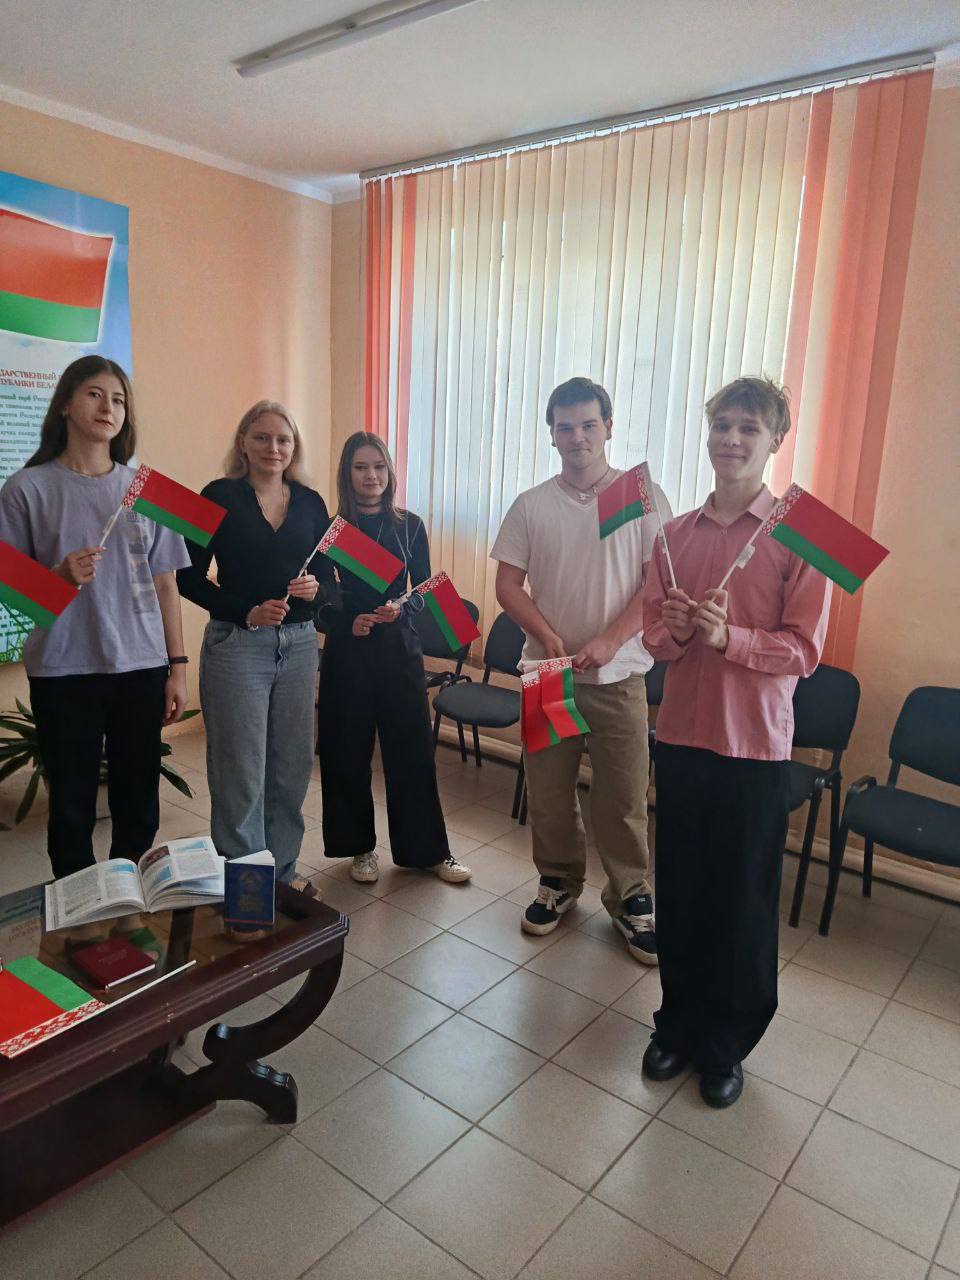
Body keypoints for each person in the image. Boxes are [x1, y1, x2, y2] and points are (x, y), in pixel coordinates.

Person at [641, 376, 830, 1108]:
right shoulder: (673, 536)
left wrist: (733, 638)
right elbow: (655, 637)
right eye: (722, 424)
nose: (731, 439)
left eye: (749, 428)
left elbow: (804, 650)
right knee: (682, 893)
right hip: (682, 739)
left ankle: (727, 1043)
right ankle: (677, 1025)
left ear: (775, 439)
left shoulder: (798, 534)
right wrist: (676, 632)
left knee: (742, 905)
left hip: (754, 749)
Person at [492, 376, 670, 961]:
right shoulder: (531, 504)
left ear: (609, 427)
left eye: (589, 424)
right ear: (551, 434)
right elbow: (507, 585)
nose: (577, 437)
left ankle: (630, 896)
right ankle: (558, 882)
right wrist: (547, 637)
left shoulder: (636, 494)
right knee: (548, 793)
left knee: (622, 798)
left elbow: (656, 584)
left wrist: (611, 641)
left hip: (619, 677)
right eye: (565, 427)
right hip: (547, 675)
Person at [0, 355, 190, 881]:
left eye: (119, 399)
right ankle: (80, 905)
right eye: (95, 394)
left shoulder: (147, 489)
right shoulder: (25, 488)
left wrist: (177, 667)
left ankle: (128, 894)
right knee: (71, 806)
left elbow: (167, 584)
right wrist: (58, 577)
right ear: (65, 403)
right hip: (64, 670)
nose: (109, 407)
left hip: (141, 667)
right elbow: (13, 593)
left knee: (138, 803)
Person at [177, 400, 333, 889]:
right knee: (240, 773)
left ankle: (281, 877)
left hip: (300, 646)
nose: (273, 447)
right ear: (243, 442)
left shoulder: (311, 503)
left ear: (295, 447)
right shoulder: (217, 495)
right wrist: (245, 610)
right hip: (237, 646)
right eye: (262, 437)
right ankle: (248, 889)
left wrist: (316, 590)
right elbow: (187, 577)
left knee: (290, 770)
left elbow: (329, 579)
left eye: (283, 439)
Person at [317, 431, 471, 885]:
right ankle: (359, 848)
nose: (371, 476)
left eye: (379, 466)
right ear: (347, 473)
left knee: (413, 751)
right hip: (349, 650)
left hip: (399, 649)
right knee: (347, 751)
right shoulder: (333, 529)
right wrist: (346, 622)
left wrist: (401, 607)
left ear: (390, 471)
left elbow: (422, 590)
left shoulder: (410, 525)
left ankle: (428, 851)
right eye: (361, 467)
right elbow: (322, 595)